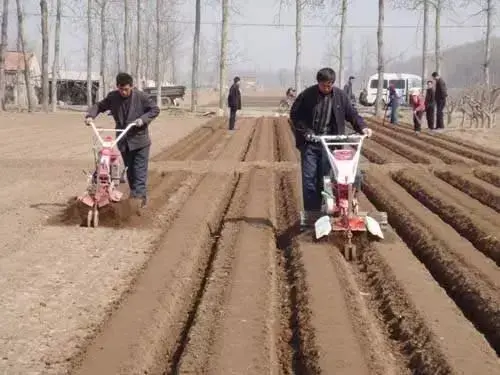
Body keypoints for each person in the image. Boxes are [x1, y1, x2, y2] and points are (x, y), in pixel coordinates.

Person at [289, 67, 372, 226]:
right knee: (310, 180)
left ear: (333, 83)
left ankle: (329, 210)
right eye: (323, 85)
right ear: (318, 83)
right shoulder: (307, 95)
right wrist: (306, 131)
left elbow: (352, 114)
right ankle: (312, 215)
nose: (326, 88)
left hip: (330, 143)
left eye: (329, 85)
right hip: (311, 143)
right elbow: (295, 114)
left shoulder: (340, 96)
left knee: (328, 179)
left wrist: (363, 127)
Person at [84, 72, 160, 213]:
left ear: (132, 86)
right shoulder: (113, 97)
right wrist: (90, 116)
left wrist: (142, 119)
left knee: (139, 172)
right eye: (120, 89)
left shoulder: (141, 97)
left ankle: (138, 202)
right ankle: (131, 196)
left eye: (126, 89)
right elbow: (100, 106)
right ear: (117, 87)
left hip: (140, 141)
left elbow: (155, 110)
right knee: (129, 172)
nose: (123, 92)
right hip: (123, 141)